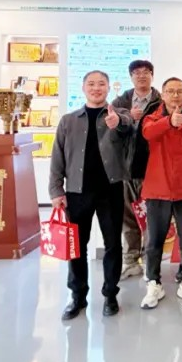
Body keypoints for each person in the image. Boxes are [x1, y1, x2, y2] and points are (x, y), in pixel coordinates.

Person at [50, 70, 131, 321]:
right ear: (83, 88)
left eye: (101, 84)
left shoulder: (118, 115)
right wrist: (56, 190)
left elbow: (129, 126)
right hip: (77, 192)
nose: (97, 88)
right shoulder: (68, 121)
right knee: (77, 246)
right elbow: (57, 157)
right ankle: (77, 296)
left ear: (108, 88)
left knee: (113, 245)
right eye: (92, 84)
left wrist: (118, 122)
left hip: (111, 190)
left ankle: (110, 294)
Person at [138, 78, 182, 309]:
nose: (175, 95)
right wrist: (169, 122)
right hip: (157, 191)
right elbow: (148, 133)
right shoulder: (152, 119)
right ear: (163, 95)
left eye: (180, 91)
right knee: (154, 241)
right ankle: (153, 283)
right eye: (170, 91)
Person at [111, 59, 161, 280]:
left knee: (151, 220)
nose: (141, 76)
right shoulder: (119, 102)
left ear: (152, 75)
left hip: (152, 171)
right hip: (125, 170)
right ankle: (131, 261)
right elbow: (110, 133)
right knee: (128, 219)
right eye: (136, 72)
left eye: (146, 72)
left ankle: (150, 264)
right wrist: (127, 118)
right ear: (130, 77)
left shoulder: (161, 103)